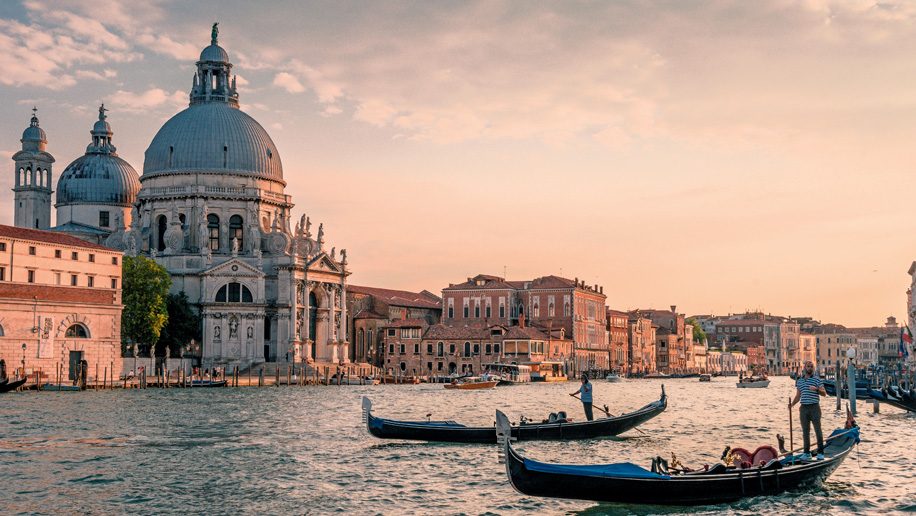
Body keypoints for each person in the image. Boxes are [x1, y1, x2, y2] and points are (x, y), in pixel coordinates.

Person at [789, 360, 827, 460]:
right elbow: (798, 396)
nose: (810, 368)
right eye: (808, 366)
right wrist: (792, 404)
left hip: (814, 407)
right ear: (804, 368)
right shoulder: (800, 381)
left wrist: (817, 389)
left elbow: (824, 393)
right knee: (805, 431)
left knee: (818, 430)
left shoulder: (817, 380)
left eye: (811, 366)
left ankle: (820, 452)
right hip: (804, 408)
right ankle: (806, 453)